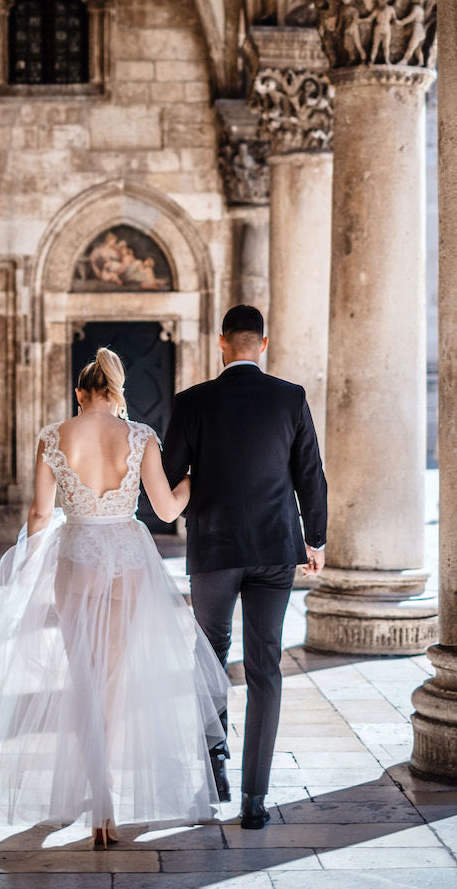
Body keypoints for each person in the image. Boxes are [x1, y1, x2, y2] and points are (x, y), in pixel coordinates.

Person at [0, 347, 229, 848]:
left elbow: (41, 514)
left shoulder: (53, 437)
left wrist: (25, 563)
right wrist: (197, 476)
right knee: (111, 682)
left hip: (78, 555)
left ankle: (98, 796)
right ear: (115, 393)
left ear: (81, 394)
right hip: (128, 558)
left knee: (82, 679)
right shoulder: (141, 436)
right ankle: (104, 801)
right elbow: (169, 509)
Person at [162, 305, 328, 830]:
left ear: (221, 344)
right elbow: (311, 475)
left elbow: (169, 478)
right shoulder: (290, 397)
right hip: (276, 548)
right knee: (265, 668)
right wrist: (315, 539)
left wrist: (203, 488)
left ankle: (215, 767)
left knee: (209, 656)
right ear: (264, 343)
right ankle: (256, 798)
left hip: (213, 549)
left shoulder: (192, 402)